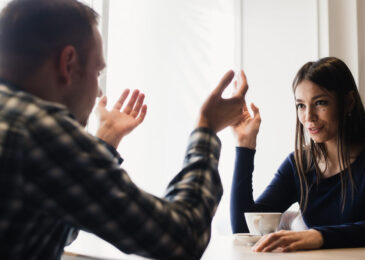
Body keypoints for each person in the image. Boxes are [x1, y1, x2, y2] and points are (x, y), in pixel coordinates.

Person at [0, 0, 249, 259]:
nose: (98, 92)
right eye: (97, 72)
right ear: (68, 63)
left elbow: (51, 226)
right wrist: (207, 129)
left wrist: (104, 143)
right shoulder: (40, 130)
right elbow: (182, 237)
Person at [230, 57, 365, 252]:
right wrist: (245, 147)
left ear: (348, 102)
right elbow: (244, 228)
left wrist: (319, 236)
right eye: (301, 105)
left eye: (320, 103)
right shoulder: (299, 164)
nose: (309, 117)